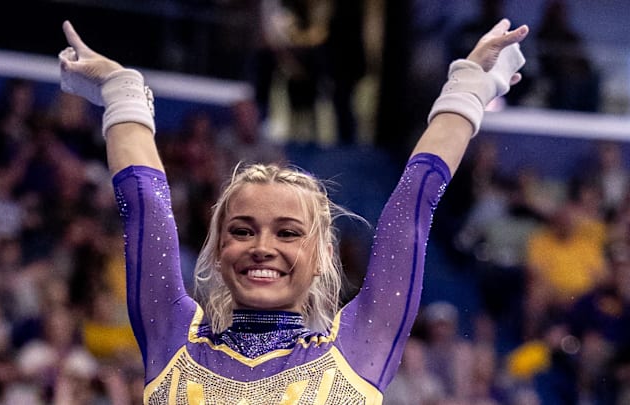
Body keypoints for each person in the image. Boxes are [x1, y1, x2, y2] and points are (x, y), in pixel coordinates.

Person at [58, 17, 528, 403]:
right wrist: (122, 94)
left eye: (287, 233)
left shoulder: (358, 348)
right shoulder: (171, 340)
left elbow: (413, 204)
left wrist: (468, 88)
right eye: (242, 230)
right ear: (218, 247)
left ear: (323, 253)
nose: (263, 248)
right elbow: (144, 206)